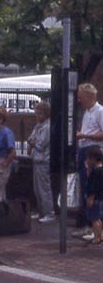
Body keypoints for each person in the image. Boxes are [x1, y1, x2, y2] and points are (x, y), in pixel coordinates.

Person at [73, 83, 103, 237]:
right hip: (85, 151)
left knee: (92, 190)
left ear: (89, 96)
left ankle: (94, 226)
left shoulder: (100, 112)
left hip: (94, 152)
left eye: (81, 97)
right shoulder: (87, 113)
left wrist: (85, 136)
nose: (79, 100)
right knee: (85, 188)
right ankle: (90, 224)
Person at [28, 102, 55, 223]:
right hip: (37, 159)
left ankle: (49, 213)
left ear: (45, 113)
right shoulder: (38, 125)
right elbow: (30, 138)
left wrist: (33, 143)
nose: (37, 116)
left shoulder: (47, 127)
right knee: (36, 188)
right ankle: (41, 211)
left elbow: (40, 144)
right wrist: (32, 142)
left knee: (44, 188)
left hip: (44, 160)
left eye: (39, 113)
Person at [84, 146, 103, 245]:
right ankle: (100, 236)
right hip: (100, 197)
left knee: (94, 219)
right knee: (99, 219)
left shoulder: (95, 171)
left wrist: (90, 198)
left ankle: (97, 238)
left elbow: (92, 185)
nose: (87, 160)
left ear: (93, 159)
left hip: (95, 198)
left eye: (88, 158)